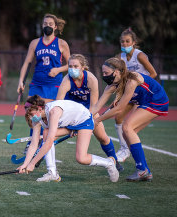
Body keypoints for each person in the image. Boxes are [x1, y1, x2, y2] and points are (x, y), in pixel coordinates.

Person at [32, 54, 123, 182]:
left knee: (102, 138)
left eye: (75, 66)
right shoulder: (67, 80)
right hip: (69, 114)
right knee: (48, 135)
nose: (72, 69)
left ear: (83, 68)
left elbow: (94, 106)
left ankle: (114, 162)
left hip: (88, 113)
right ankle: (52, 171)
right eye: (70, 66)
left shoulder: (91, 79)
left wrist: (80, 124)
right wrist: (70, 125)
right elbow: (59, 103)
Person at [91, 57, 168, 181]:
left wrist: (98, 120)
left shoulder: (131, 80)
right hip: (143, 101)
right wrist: (86, 118)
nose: (104, 75)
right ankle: (144, 170)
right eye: (103, 73)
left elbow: (119, 109)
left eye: (106, 73)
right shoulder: (111, 85)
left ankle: (142, 170)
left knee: (127, 127)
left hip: (156, 100)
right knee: (127, 134)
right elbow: (97, 106)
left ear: (116, 71)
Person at [17, 95, 119, 183]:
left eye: (31, 114)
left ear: (40, 109)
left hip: (83, 120)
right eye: (28, 114)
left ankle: (109, 163)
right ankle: (52, 173)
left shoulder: (53, 112)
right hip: (69, 123)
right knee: (46, 132)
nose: (30, 117)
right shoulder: (37, 118)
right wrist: (25, 164)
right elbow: (34, 143)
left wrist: (32, 163)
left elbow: (48, 142)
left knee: (81, 158)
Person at [17, 13, 70, 152]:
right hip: (37, 84)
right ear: (42, 26)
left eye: (50, 24)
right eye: (45, 24)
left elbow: (71, 64)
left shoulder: (61, 43)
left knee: (47, 113)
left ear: (56, 27)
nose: (48, 26)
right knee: (32, 110)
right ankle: (31, 143)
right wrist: (20, 81)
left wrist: (58, 70)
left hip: (53, 84)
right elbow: (27, 62)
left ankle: (44, 142)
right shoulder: (35, 43)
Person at [114, 28, 158, 162]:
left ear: (133, 42)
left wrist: (141, 85)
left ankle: (135, 154)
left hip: (144, 93)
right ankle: (124, 149)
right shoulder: (119, 57)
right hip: (130, 92)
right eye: (122, 42)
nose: (125, 44)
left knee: (130, 126)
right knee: (118, 117)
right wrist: (118, 95)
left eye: (127, 41)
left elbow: (153, 73)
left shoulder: (140, 56)